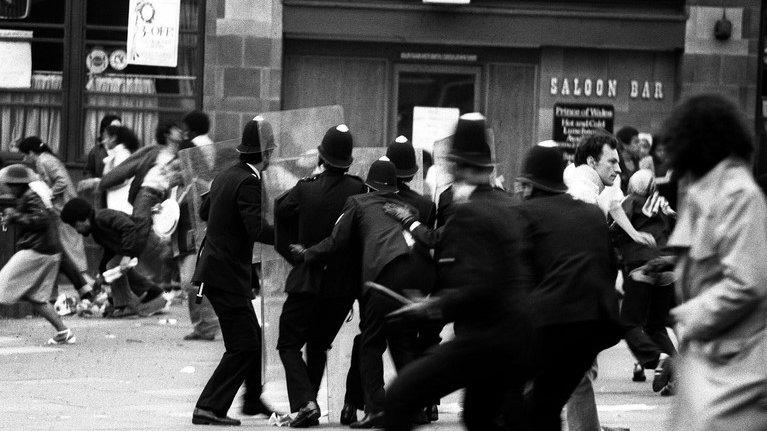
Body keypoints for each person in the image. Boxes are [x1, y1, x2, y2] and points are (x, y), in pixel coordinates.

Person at [382, 113, 533, 431]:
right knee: (480, 417)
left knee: (399, 397)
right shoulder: (511, 205)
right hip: (521, 339)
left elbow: (481, 286)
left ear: (455, 164)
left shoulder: (470, 213)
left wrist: (433, 305)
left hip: (486, 338)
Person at [291, 158, 430, 429]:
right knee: (401, 341)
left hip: (382, 277)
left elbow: (336, 241)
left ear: (368, 185)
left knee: (371, 343)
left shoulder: (358, 203)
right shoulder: (409, 207)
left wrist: (308, 253)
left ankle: (376, 409)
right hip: (412, 278)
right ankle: (415, 407)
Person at [660, 94, 767, 431]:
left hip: (734, 371)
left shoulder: (736, 193)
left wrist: (687, 317)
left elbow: (747, 282)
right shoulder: (707, 191)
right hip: (713, 364)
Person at [513, 144, 622, 431]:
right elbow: (609, 268)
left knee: (519, 407)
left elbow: (516, 276)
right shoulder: (591, 213)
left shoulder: (525, 214)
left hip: (549, 324)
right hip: (594, 327)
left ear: (529, 184)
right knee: (546, 406)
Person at [274, 124, 366, 427]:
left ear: (322, 156)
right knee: (318, 345)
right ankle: (308, 407)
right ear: (348, 160)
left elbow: (279, 210)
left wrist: (294, 255)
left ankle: (306, 403)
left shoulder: (305, 187)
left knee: (288, 343)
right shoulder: (359, 189)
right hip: (342, 288)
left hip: (308, 279)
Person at [191, 117, 277, 426]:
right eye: (271, 150)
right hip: (225, 274)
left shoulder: (227, 175)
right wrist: (289, 238)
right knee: (244, 344)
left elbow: (204, 211)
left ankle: (252, 400)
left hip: (219, 271)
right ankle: (208, 406)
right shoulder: (249, 181)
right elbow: (254, 227)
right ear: (265, 152)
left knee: (251, 337)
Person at [613, 169, 677, 394]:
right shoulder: (662, 202)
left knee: (629, 323)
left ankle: (657, 360)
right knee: (656, 326)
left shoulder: (630, 201)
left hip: (642, 265)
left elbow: (617, 225)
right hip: (667, 265)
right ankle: (676, 369)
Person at [0, 164, 75, 345]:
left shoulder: (30, 197)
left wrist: (14, 216)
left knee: (2, 282)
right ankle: (64, 332)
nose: (6, 188)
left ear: (16, 185)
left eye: (9, 185)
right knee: (37, 297)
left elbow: (38, 220)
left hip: (37, 250)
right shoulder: (31, 196)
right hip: (49, 252)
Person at [60, 198, 167, 317]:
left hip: (140, 238)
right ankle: (153, 293)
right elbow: (110, 251)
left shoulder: (103, 217)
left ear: (83, 219)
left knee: (114, 266)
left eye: (75, 226)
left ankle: (125, 305)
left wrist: (126, 255)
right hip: (132, 244)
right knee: (115, 268)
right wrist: (101, 275)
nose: (77, 231)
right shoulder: (97, 231)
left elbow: (129, 227)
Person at [17, 136, 91, 298]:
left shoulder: (43, 160)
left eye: (25, 155)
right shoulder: (48, 159)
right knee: (69, 249)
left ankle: (88, 287)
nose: (24, 159)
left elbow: (62, 181)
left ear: (31, 152)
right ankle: (85, 287)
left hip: (65, 210)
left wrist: (48, 195)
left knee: (70, 249)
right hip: (66, 209)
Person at [102, 125, 141, 214]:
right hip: (117, 202)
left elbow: (120, 179)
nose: (104, 141)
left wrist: (101, 183)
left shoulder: (122, 155)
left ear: (113, 138)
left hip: (121, 204)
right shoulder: (117, 154)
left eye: (105, 137)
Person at [84, 114, 122, 179]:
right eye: (115, 128)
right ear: (105, 131)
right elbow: (88, 173)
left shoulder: (124, 150)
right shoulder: (95, 151)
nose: (119, 132)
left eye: (120, 129)